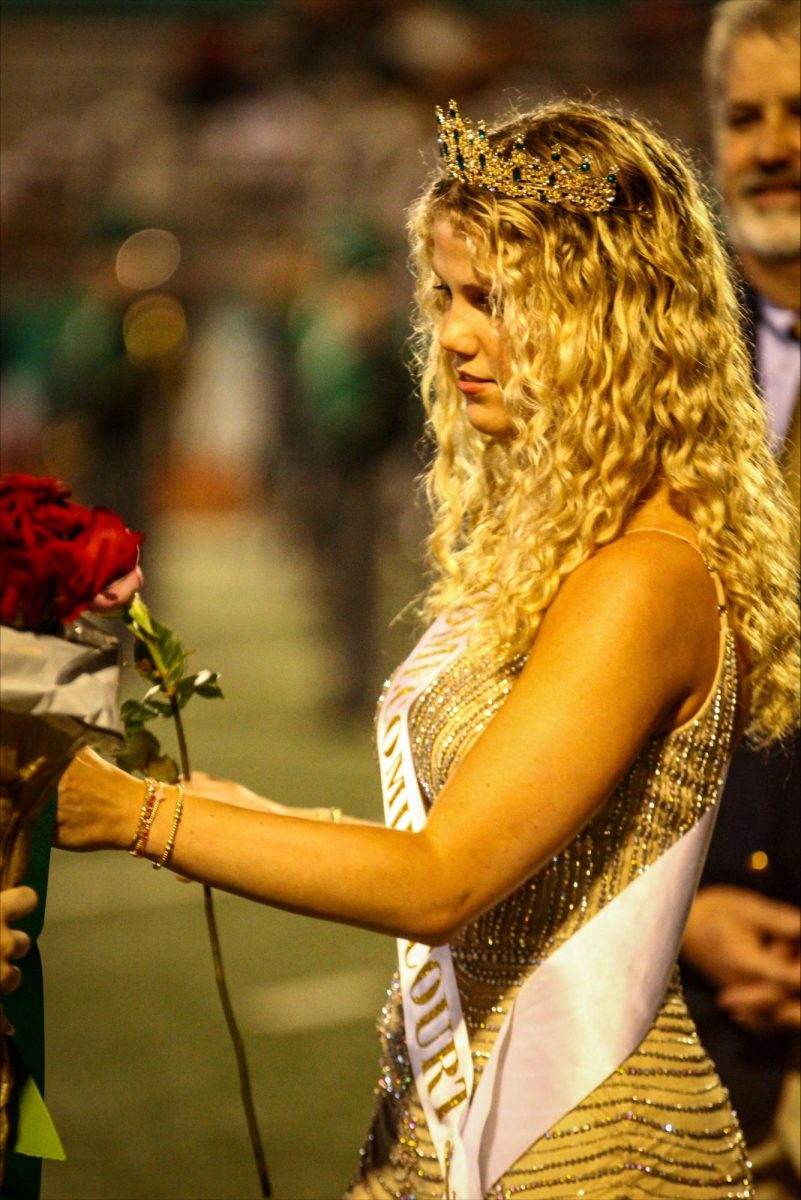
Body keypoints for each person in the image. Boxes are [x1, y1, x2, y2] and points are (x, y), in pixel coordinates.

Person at [55, 98, 799, 1198]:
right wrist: (250, 817)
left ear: (612, 317)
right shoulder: (567, 541)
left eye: (493, 301)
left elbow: (441, 882)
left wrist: (134, 818)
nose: (451, 333)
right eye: (445, 294)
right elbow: (489, 839)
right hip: (455, 1125)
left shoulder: (644, 576)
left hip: (586, 1152)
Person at [681, 3, 800, 1192]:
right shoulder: (652, 366)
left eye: (800, 112)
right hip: (689, 975)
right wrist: (683, 909)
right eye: (746, 116)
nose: (772, 146)